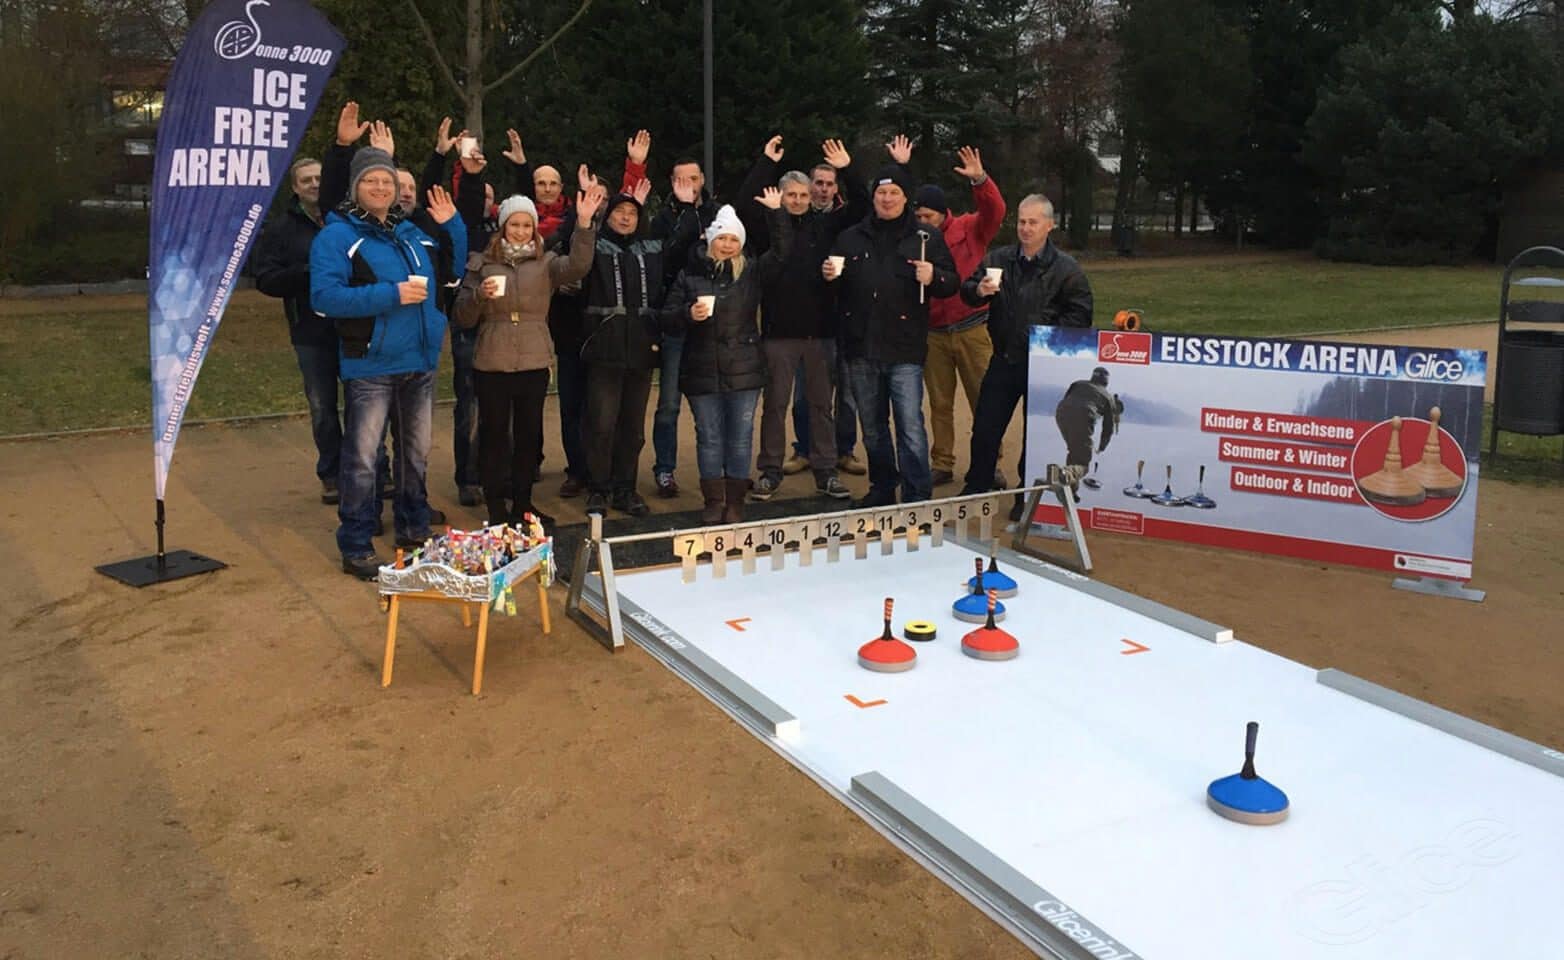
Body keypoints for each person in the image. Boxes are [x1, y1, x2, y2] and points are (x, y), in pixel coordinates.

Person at [310, 147, 467, 579]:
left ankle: (414, 527)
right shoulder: (336, 236)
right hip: (371, 364)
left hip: (419, 359)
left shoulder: (410, 233)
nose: (381, 188)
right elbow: (324, 299)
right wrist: (391, 294)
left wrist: (453, 222)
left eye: (387, 182)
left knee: (415, 454)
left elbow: (452, 271)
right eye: (371, 181)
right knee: (362, 458)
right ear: (355, 187)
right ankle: (357, 542)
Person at [453, 186, 605, 528]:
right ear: (503, 226)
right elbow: (462, 315)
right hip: (492, 358)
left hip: (534, 358)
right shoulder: (482, 262)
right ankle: (495, 507)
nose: (520, 231)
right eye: (514, 225)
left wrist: (583, 225)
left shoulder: (546, 262)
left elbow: (580, 266)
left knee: (528, 435)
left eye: (526, 225)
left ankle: (523, 504)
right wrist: (479, 295)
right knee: (494, 437)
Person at [824, 160, 958, 507]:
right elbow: (833, 287)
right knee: (872, 428)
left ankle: (917, 495)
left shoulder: (926, 238)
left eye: (894, 192)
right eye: (881, 192)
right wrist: (829, 275)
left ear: (905, 198)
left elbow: (951, 281)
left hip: (905, 349)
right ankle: (882, 488)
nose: (887, 199)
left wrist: (935, 277)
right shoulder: (850, 237)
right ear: (873, 197)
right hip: (860, 347)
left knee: (910, 427)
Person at [734, 136, 860, 502]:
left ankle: (825, 471)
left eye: (804, 196)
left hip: (821, 333)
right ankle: (770, 471)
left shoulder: (825, 227)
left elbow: (862, 206)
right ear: (782, 196)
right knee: (774, 406)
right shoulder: (768, 226)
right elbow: (744, 203)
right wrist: (766, 162)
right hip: (778, 334)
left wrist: (848, 168)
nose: (799, 201)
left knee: (822, 407)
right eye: (792, 195)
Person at [958, 194, 1093, 519]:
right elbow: (967, 288)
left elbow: (1081, 314)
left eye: (1033, 222)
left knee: (1035, 435)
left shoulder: (1066, 269)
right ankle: (977, 487)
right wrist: (978, 291)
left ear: (1049, 225)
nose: (1026, 228)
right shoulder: (999, 259)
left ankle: (1025, 497)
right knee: (986, 427)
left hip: (1042, 365)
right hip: (1004, 358)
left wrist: (1042, 336)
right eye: (1021, 221)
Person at [661, 192, 791, 522]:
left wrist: (777, 214)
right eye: (723, 238)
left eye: (734, 239)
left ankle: (735, 502)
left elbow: (782, 254)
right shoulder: (688, 276)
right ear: (711, 240)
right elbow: (666, 318)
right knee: (709, 437)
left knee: (740, 437)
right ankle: (713, 501)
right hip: (701, 368)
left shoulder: (751, 273)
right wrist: (689, 313)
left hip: (745, 369)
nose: (728, 244)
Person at [579, 182, 688, 517]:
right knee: (601, 423)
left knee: (632, 427)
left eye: (631, 213)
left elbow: (682, 244)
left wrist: (684, 208)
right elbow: (572, 257)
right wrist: (583, 220)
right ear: (607, 215)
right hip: (605, 347)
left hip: (641, 347)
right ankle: (598, 488)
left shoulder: (652, 247)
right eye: (619, 212)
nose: (625, 218)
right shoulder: (595, 245)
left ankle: (625, 488)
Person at [252, 156, 350, 504]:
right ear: (295, 187)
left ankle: (367, 470)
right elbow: (264, 277)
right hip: (310, 330)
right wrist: (306, 273)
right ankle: (332, 474)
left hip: (353, 326)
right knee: (322, 406)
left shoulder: (348, 219)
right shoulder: (282, 228)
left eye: (319, 177)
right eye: (306, 180)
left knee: (362, 403)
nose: (314, 184)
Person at [913, 145, 1007, 488]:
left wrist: (980, 180)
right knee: (939, 402)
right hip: (933, 332)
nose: (923, 223)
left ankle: (989, 462)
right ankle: (942, 462)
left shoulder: (969, 228)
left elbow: (995, 211)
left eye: (928, 216)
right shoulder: (914, 239)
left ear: (942, 213)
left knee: (984, 399)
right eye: (918, 217)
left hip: (972, 327)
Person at [649, 152, 719, 499]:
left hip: (711, 318)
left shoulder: (718, 212)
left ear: (702, 179)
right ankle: (664, 469)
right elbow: (667, 259)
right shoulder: (663, 219)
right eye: (680, 180)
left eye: (692, 179)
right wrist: (686, 213)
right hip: (676, 317)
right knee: (669, 403)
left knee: (713, 399)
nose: (687, 186)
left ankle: (721, 471)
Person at [1054, 367, 1121, 477]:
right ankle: (1065, 474)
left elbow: (1067, 400)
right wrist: (1102, 447)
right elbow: (1108, 427)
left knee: (1075, 451)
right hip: (1083, 417)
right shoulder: (1108, 397)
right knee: (1083, 464)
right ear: (1106, 381)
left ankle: (1071, 490)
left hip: (1061, 413)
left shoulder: (1077, 383)